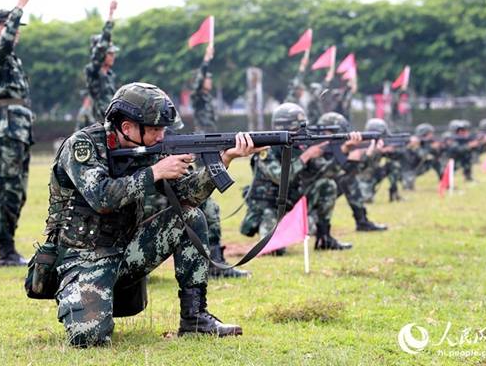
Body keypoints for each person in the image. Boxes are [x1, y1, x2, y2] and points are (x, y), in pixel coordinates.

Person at [46, 83, 258, 346]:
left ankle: (194, 318)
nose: (162, 135)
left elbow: (186, 196)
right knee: (88, 339)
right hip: (82, 258)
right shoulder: (83, 146)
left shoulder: (151, 150)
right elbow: (101, 197)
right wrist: (155, 172)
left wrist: (224, 160)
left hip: (126, 251)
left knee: (189, 217)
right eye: (156, 128)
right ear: (127, 128)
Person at [240, 103, 360, 252]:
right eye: (298, 128)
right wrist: (307, 156)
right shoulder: (266, 149)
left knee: (327, 185)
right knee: (275, 251)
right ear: (285, 127)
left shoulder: (301, 147)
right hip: (270, 208)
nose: (302, 132)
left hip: (292, 203)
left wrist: (344, 150)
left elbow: (325, 173)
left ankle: (325, 238)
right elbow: (280, 177)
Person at [189, 44, 249, 278]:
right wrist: (206, 60)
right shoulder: (198, 98)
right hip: (201, 146)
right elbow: (198, 83)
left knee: (208, 201)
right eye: (207, 79)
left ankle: (215, 258)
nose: (209, 83)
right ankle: (214, 261)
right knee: (208, 203)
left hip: (209, 143)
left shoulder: (208, 99)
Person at [0, 0, 32, 267]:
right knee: (8, 189)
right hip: (8, 130)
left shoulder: (13, 60)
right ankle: (5, 251)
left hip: (20, 130)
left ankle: (9, 247)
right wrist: (19, 8)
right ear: (0, 29)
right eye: (13, 27)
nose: (18, 33)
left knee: (19, 190)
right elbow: (1, 45)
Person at [316, 112, 387, 232]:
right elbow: (326, 172)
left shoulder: (329, 148)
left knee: (348, 179)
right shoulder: (316, 148)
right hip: (305, 206)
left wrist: (369, 153)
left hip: (315, 199)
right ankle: (322, 231)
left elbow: (349, 171)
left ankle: (362, 221)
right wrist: (344, 150)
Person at [85, 0, 119, 122]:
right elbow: (101, 47)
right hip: (98, 122)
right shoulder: (93, 70)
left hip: (111, 121)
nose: (113, 56)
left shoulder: (110, 74)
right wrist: (110, 14)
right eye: (110, 53)